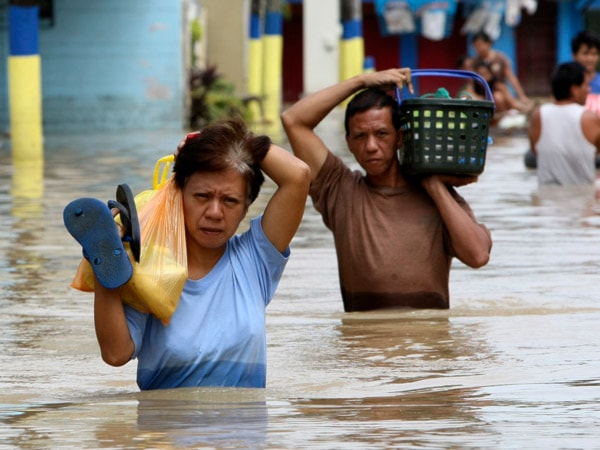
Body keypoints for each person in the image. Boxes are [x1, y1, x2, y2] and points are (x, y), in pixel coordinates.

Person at [92, 118, 310, 390]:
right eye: (202, 196)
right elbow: (116, 354)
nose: (215, 213)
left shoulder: (256, 259)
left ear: (245, 209)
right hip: (166, 430)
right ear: (178, 195)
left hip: (243, 431)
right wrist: (104, 268)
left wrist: (233, 143)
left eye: (230, 201)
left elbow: (298, 176)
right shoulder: (149, 269)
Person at [280, 68, 492, 312]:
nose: (371, 146)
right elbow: (293, 120)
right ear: (349, 143)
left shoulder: (440, 197)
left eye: (381, 134)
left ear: (400, 138)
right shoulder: (339, 190)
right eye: (360, 136)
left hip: (428, 344)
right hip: (364, 344)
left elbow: (478, 256)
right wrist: (361, 81)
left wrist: (434, 186)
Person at [529, 61, 600, 186]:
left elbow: (535, 152)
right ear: (574, 90)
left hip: (546, 200)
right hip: (583, 199)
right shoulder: (589, 118)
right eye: (586, 85)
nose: (589, 90)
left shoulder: (537, 116)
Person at [471, 31, 532, 114]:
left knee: (498, 95)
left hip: (502, 93)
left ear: (488, 43)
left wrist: (522, 96)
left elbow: (511, 77)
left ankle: (505, 114)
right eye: (475, 45)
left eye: (480, 44)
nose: (477, 48)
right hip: (483, 94)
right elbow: (472, 83)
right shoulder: (475, 62)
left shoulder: (500, 59)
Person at [571, 30, 600, 115]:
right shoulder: (566, 83)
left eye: (594, 54)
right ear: (574, 55)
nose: (590, 59)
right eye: (585, 53)